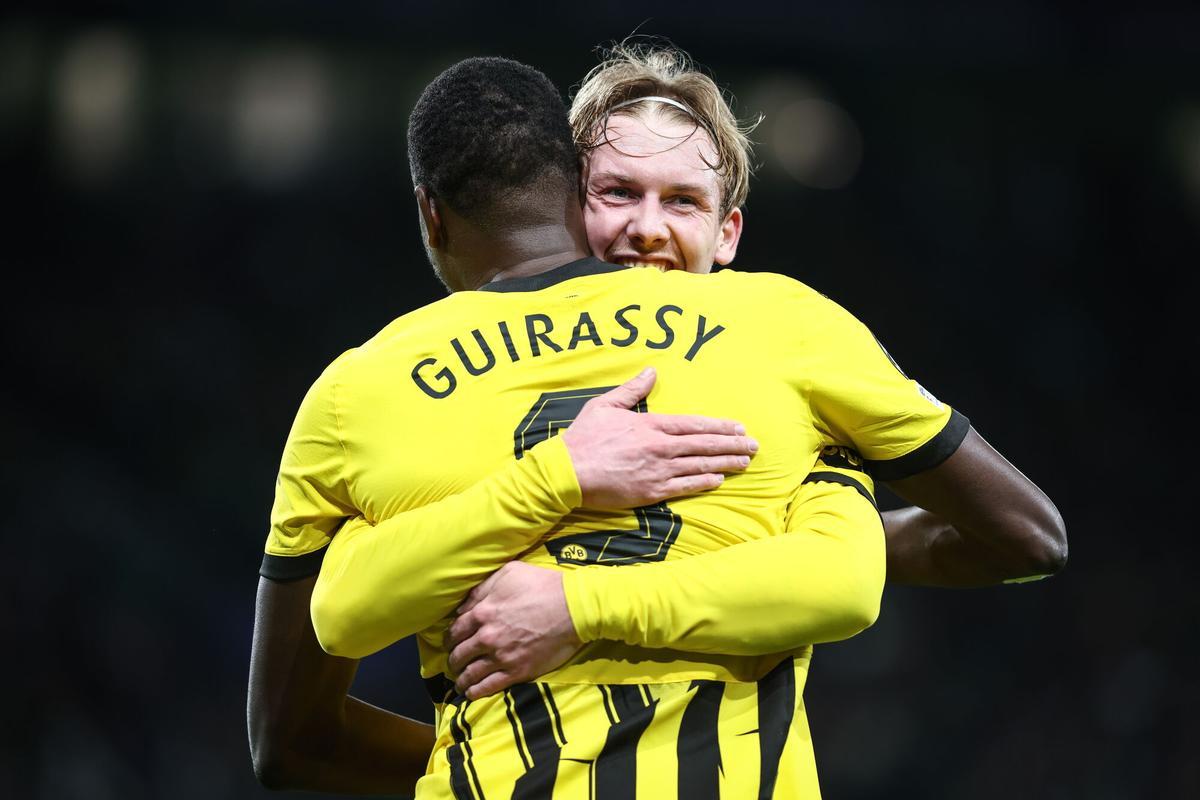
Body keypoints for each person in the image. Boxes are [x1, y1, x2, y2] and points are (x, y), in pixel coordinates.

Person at [248, 48, 1066, 797]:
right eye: (616, 192)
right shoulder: (784, 333)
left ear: (728, 230)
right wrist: (805, 519)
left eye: (682, 200)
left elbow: (296, 719)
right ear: (565, 195)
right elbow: (1013, 540)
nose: (646, 228)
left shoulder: (364, 389)